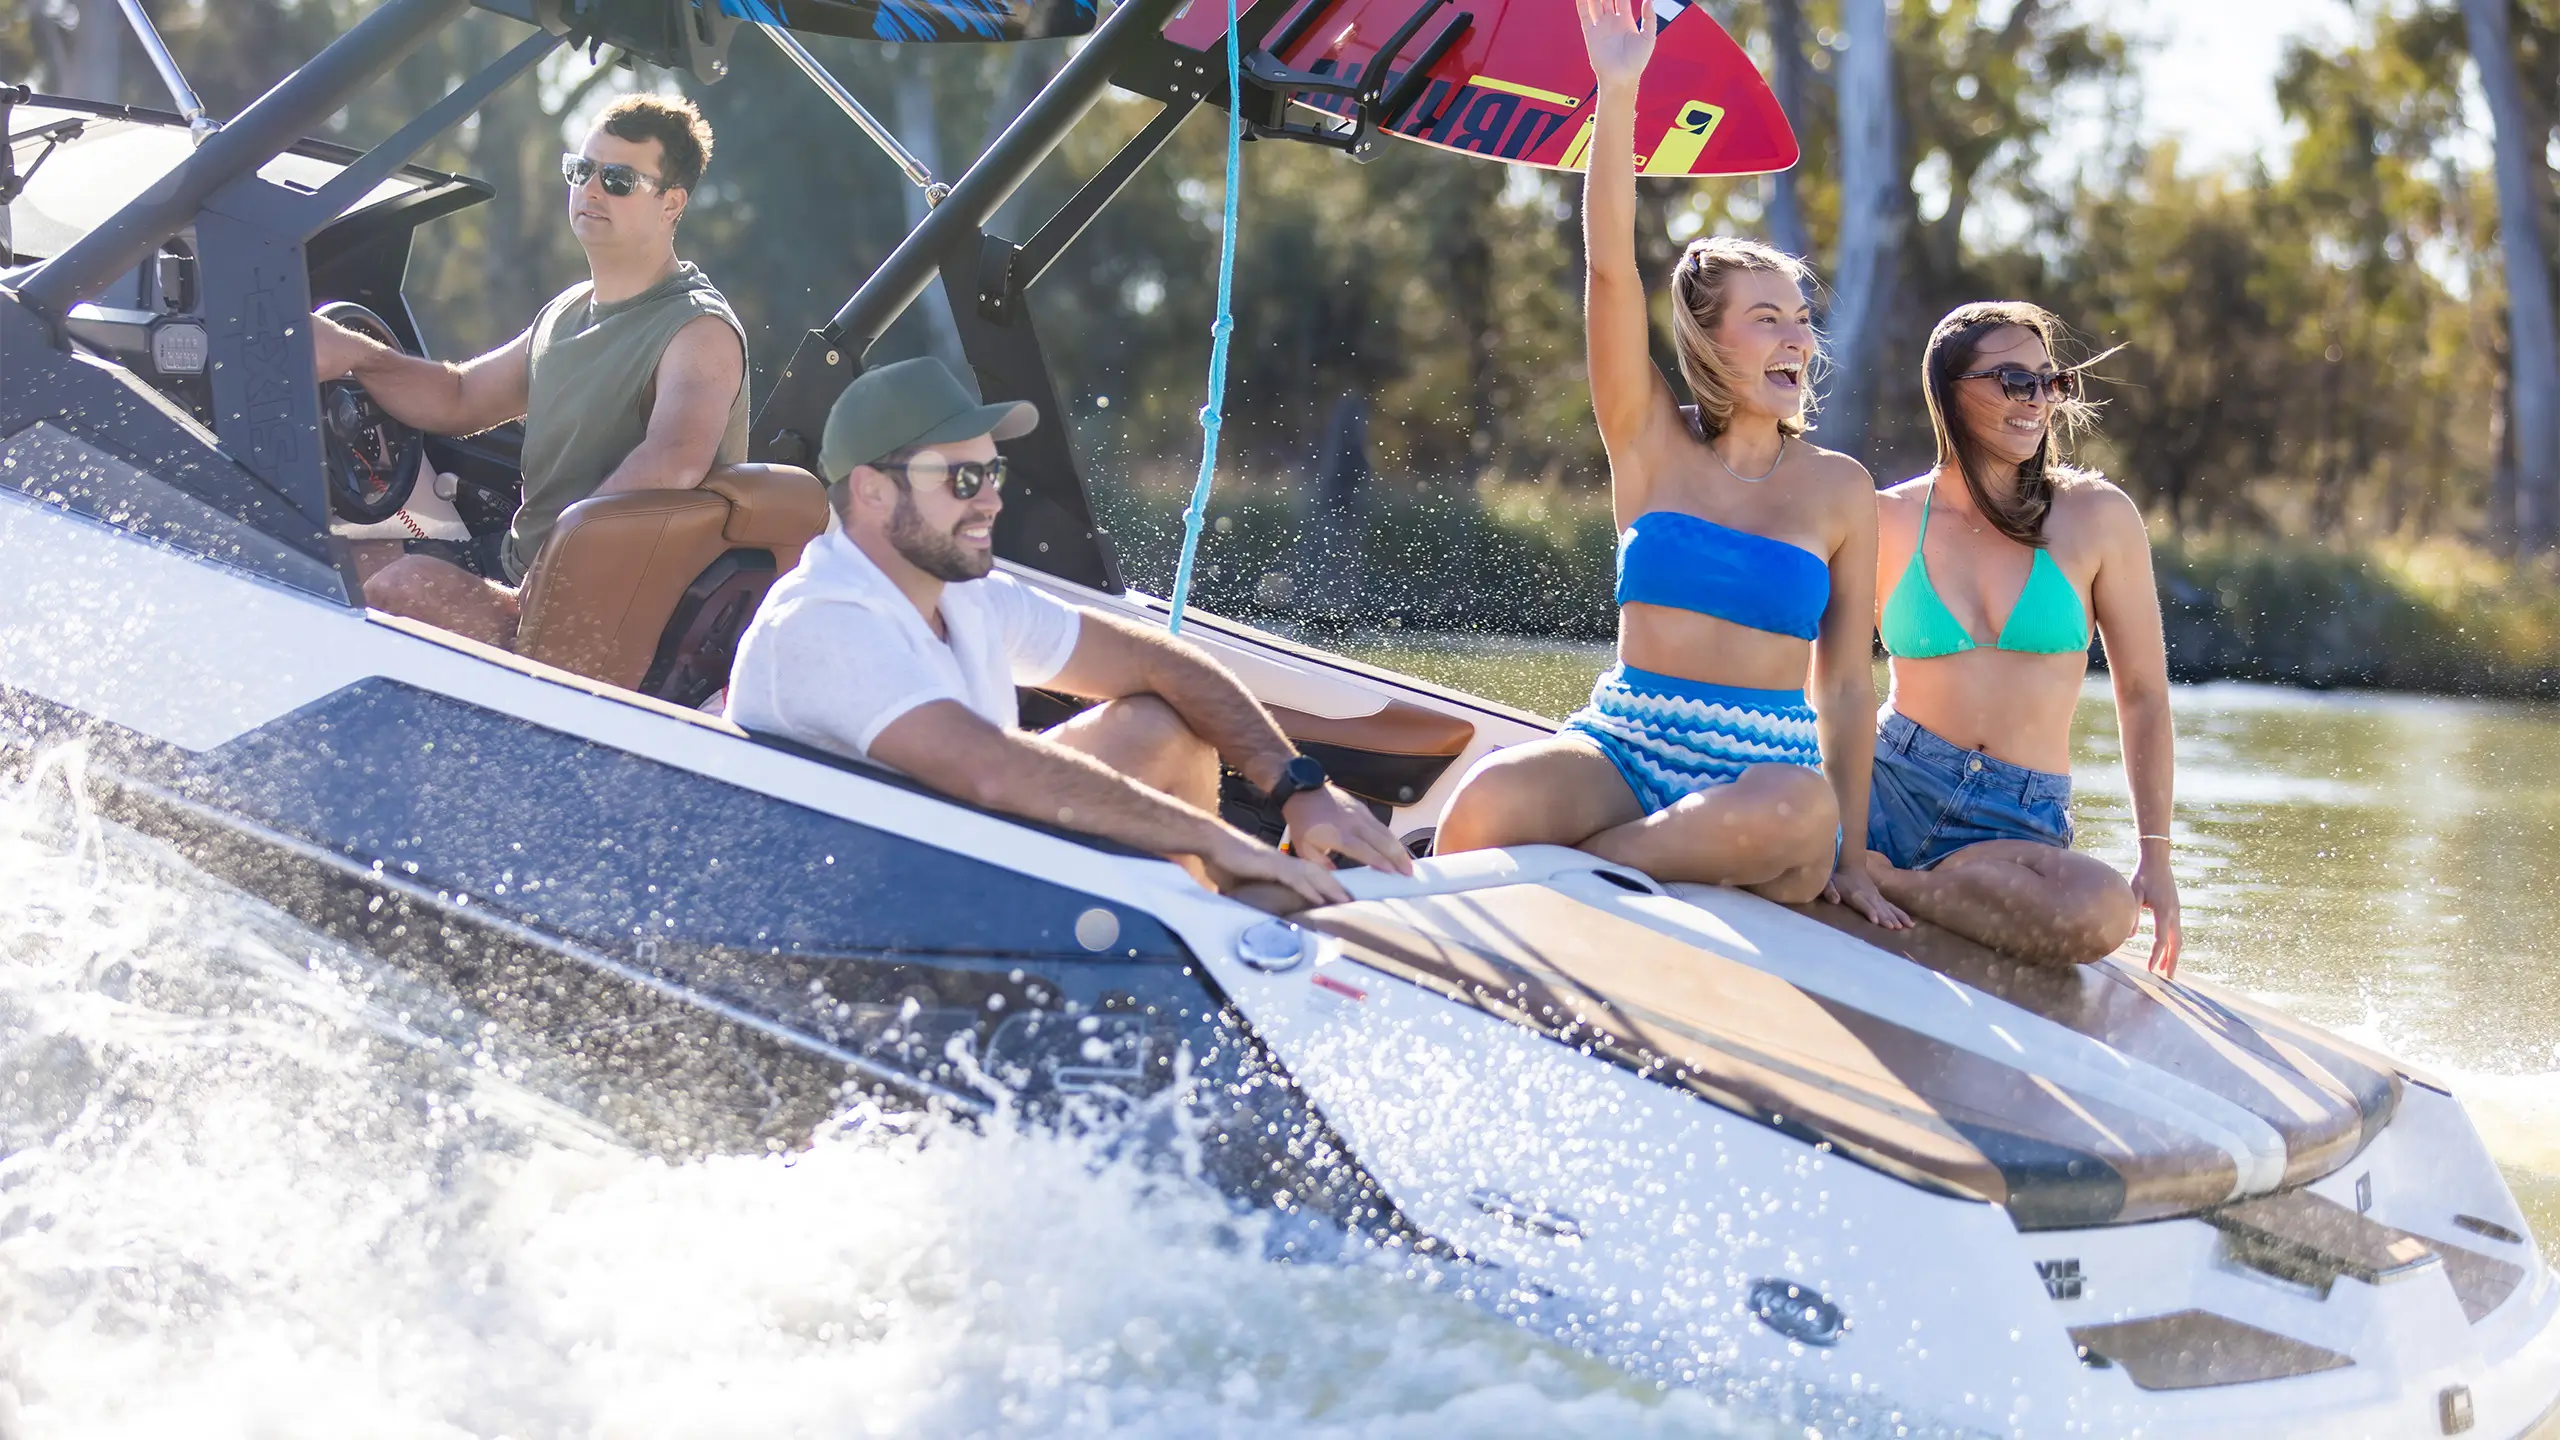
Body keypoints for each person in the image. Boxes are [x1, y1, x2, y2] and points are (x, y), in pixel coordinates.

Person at [1431, 0, 1902, 923]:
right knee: (1491, 798)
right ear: (1709, 340)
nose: (1796, 338)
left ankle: (1588, 868)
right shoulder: (1647, 437)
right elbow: (1609, 269)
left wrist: (1854, 851)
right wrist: (1618, 89)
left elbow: (1846, 687)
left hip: (1762, 778)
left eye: (1802, 319)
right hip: (1624, 745)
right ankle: (1587, 870)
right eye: (1767, 318)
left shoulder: (1839, 488)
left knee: (1801, 814)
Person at [724, 358, 1414, 909]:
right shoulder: (821, 620)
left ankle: (1212, 927)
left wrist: (1300, 788)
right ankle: (1216, 927)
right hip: (872, 927)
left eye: (992, 472)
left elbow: (1162, 666)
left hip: (964, 868)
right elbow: (991, 770)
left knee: (1159, 723)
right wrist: (1218, 840)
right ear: (872, 490)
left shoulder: (968, 595)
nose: (992, 497)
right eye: (963, 477)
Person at [310, 93, 749, 649]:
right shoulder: (568, 311)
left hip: (601, 611)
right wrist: (356, 355)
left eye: (617, 180)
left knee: (399, 588)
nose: (590, 189)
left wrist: (551, 574)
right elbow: (460, 397)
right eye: (580, 170)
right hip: (524, 566)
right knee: (331, 558)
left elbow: (676, 459)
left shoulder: (697, 329)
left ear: (671, 203)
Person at [1852, 301, 2182, 974]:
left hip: (2013, 820)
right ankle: (1862, 860)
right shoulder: (1883, 516)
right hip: (1887, 783)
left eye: (2050, 382)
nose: (2038, 400)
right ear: (1950, 390)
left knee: (2103, 910)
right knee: (1758, 811)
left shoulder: (2097, 516)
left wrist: (2156, 853)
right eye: (2013, 381)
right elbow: (1827, 679)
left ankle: (1888, 882)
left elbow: (2143, 694)